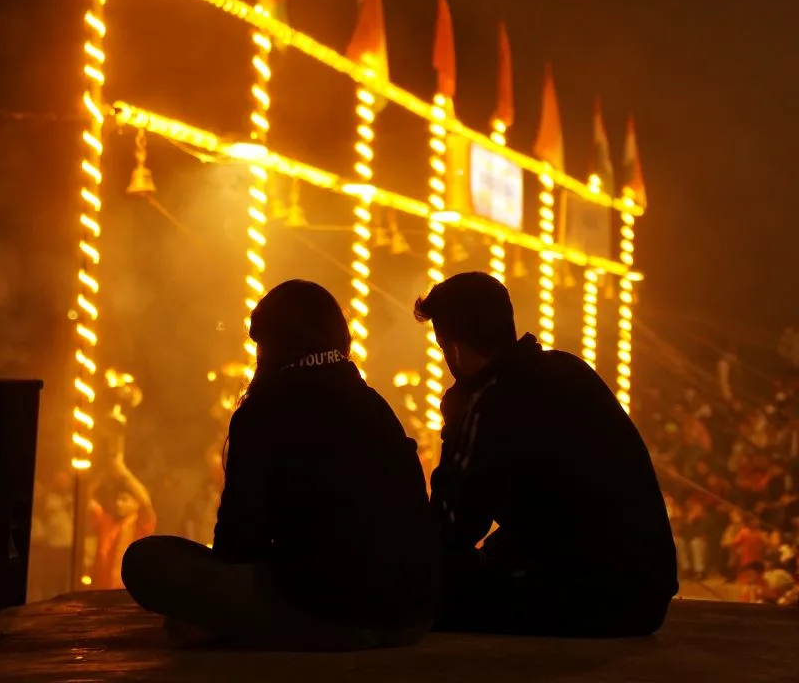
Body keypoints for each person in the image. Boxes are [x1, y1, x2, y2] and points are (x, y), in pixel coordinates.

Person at [123, 279, 440, 649]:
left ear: (271, 346)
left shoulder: (264, 409)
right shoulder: (373, 404)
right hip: (411, 616)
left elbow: (238, 544)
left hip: (329, 614)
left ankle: (228, 626)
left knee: (145, 560)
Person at [414, 271, 678, 637]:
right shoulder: (569, 369)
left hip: (592, 599)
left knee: (421, 597)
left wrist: (455, 427)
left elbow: (452, 528)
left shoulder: (489, 400)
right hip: (646, 593)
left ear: (453, 348)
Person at [88, 454, 156, 589]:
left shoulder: (142, 523)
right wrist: (103, 474)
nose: (118, 504)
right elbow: (86, 497)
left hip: (130, 589)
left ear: (136, 504)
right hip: (102, 588)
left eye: (124, 500)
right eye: (117, 500)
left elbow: (145, 500)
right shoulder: (107, 521)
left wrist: (123, 473)